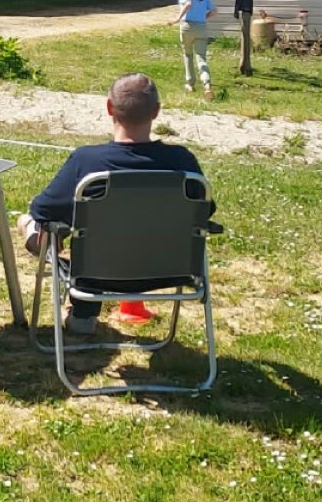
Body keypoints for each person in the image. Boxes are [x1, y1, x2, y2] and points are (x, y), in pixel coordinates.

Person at [20, 72, 205, 334]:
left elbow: (42, 210)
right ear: (156, 111)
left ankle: (83, 317)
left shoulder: (87, 162)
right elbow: (203, 213)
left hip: (96, 269)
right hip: (169, 269)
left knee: (31, 222)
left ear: (109, 108)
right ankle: (82, 314)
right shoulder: (183, 163)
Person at [174, 0, 215, 100]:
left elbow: (188, 4)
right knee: (201, 58)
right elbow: (214, 11)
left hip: (187, 26)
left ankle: (190, 84)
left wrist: (177, 18)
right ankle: (207, 85)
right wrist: (203, 18)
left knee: (188, 54)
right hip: (202, 28)